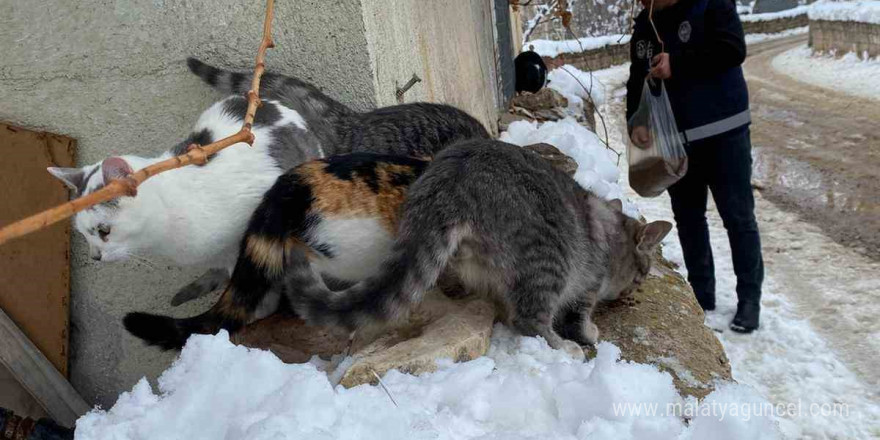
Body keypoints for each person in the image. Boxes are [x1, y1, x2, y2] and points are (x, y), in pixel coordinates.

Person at [625, 0, 764, 332]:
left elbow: (732, 49)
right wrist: (636, 120)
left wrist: (679, 63)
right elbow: (636, 77)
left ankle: (749, 301)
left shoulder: (712, 5)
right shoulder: (646, 24)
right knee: (689, 220)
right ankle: (701, 297)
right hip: (675, 144)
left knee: (738, 218)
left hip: (724, 133)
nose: (643, 1)